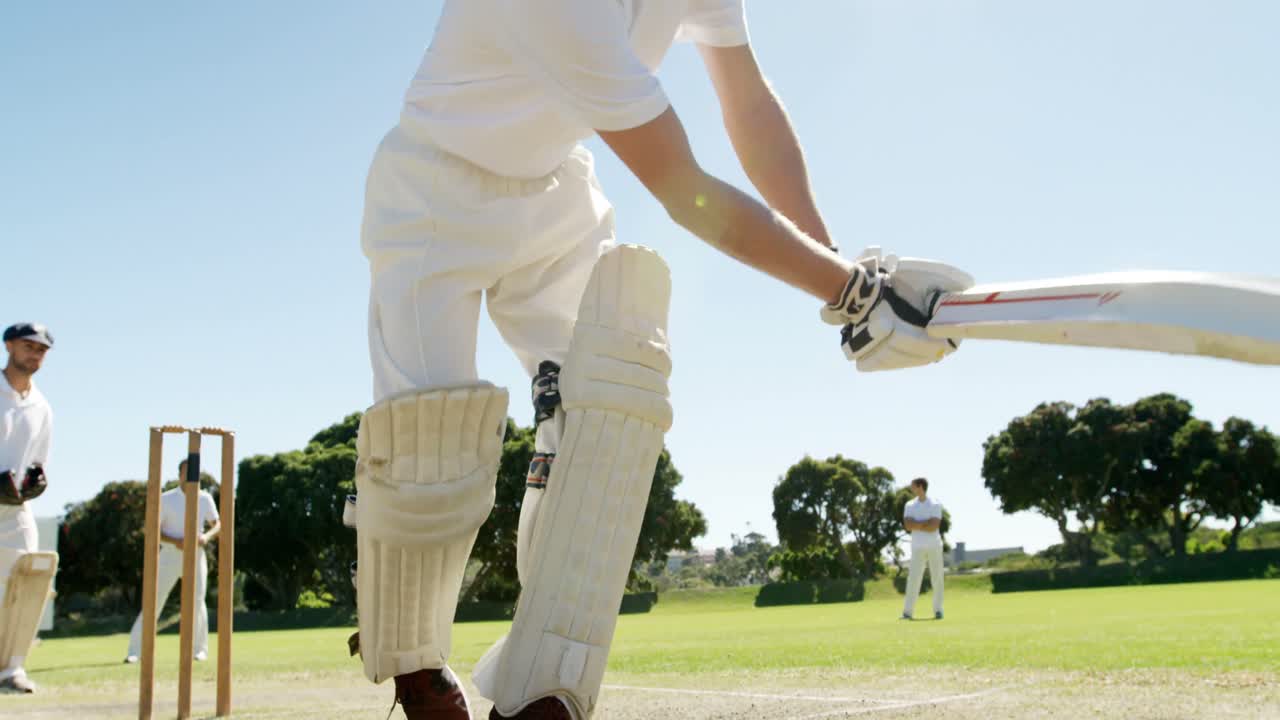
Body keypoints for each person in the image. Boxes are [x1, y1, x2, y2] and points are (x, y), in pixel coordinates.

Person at [350, 2, 972, 718]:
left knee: (607, 407)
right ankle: (415, 666)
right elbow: (684, 189)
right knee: (427, 443)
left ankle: (541, 677)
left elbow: (750, 105)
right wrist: (855, 293)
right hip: (435, 188)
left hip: (556, 190)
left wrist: (837, 274)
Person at [0, 322, 56, 694]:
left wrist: (35, 482)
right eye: (28, 346)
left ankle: (11, 670)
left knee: (28, 579)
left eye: (41, 350)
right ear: (8, 345)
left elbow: (38, 461)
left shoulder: (42, 407)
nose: (34, 354)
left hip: (12, 508)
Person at [124, 459, 221, 664]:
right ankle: (135, 651)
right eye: (187, 472)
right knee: (154, 600)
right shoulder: (166, 499)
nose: (192, 476)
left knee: (197, 601)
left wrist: (206, 537)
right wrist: (175, 540)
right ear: (180, 475)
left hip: (196, 555)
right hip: (169, 555)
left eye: (195, 472)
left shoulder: (205, 499)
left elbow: (217, 524)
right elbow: (153, 530)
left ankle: (200, 650)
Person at [901, 477, 945, 621]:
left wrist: (916, 524)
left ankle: (938, 610)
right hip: (917, 547)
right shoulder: (909, 505)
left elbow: (934, 525)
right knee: (913, 579)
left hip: (934, 545)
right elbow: (907, 525)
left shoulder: (935, 503)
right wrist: (924, 523)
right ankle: (907, 613)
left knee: (937, 577)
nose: (911, 488)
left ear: (920, 487)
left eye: (913, 486)